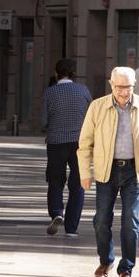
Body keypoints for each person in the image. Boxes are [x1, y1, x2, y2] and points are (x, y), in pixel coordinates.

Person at [77, 67, 139, 277]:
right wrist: (85, 173)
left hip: (134, 172)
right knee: (101, 220)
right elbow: (85, 144)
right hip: (107, 171)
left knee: (130, 223)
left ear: (134, 85)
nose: (124, 92)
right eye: (119, 87)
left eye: (128, 87)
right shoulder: (98, 106)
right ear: (111, 84)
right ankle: (106, 261)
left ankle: (126, 270)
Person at [41, 59, 92, 237]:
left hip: (56, 142)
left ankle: (56, 212)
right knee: (78, 184)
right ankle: (72, 228)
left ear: (57, 73)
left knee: (55, 180)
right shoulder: (83, 90)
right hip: (80, 143)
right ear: (73, 73)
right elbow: (91, 117)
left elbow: (44, 121)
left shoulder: (50, 92)